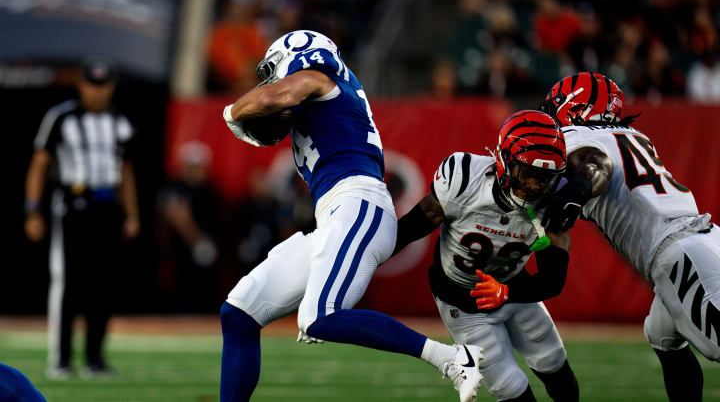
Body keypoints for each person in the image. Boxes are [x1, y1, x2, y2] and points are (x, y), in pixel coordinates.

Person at [220, 30, 483, 402]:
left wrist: (230, 113)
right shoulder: (319, 94)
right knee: (239, 312)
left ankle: (453, 358)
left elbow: (271, 97)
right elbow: (273, 113)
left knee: (319, 317)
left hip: (359, 203)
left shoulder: (318, 77)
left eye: (274, 69)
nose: (272, 79)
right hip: (338, 214)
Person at [539, 71, 720, 402]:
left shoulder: (574, 136)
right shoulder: (633, 134)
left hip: (679, 253)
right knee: (662, 335)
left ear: (573, 105)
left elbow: (596, 164)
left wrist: (577, 188)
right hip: (700, 239)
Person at [393, 110, 579, 402]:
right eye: (528, 172)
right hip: (463, 304)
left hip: (515, 290)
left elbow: (552, 280)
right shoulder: (465, 179)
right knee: (511, 388)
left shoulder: (555, 202)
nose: (534, 185)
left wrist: (506, 292)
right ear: (504, 161)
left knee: (555, 365)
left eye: (544, 177)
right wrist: (364, 259)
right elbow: (408, 228)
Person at [24, 56, 140, 379]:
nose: (97, 93)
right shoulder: (61, 118)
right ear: (81, 84)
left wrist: (131, 213)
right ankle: (60, 359)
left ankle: (95, 359)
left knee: (103, 284)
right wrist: (33, 210)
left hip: (107, 206)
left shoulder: (120, 122)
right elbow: (39, 165)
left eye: (103, 86)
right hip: (73, 205)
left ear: (112, 87)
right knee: (68, 282)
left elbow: (126, 170)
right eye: (91, 85)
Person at [158, 140, 221, 313]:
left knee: (206, 292)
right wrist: (197, 241)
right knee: (183, 292)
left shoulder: (210, 190)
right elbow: (175, 217)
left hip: (208, 252)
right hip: (181, 252)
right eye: (192, 167)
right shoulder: (175, 189)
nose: (196, 171)